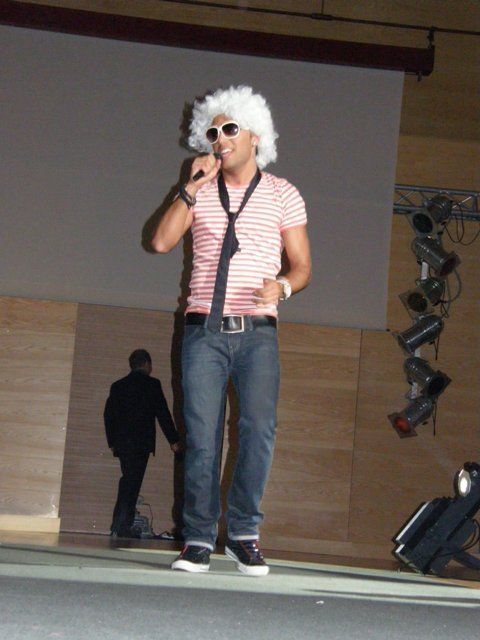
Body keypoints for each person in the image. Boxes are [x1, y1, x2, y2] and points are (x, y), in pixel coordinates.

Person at [151, 85, 311, 575]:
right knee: (201, 438)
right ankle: (198, 539)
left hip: (258, 334)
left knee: (258, 431)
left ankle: (243, 534)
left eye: (229, 129)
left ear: (255, 136)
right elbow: (160, 242)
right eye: (212, 132)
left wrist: (283, 286)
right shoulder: (198, 190)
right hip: (203, 332)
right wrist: (190, 187)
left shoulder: (283, 194)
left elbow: (302, 266)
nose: (218, 138)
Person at [104, 348, 181, 538]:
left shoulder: (118, 386)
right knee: (131, 482)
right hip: (141, 443)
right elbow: (163, 414)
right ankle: (121, 525)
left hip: (122, 443)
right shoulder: (152, 384)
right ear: (147, 364)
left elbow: (108, 415)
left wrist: (112, 441)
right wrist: (173, 440)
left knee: (128, 480)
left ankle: (121, 524)